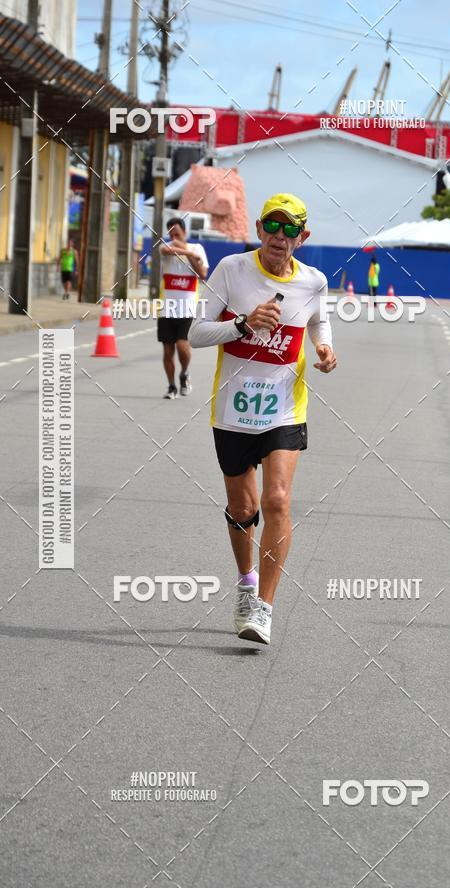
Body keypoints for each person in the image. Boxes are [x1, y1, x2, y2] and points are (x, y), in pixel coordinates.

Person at [189, 192, 336, 645]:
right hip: (233, 413)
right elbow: (195, 333)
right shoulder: (231, 271)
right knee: (244, 509)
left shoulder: (314, 282)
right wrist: (242, 325)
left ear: (302, 237)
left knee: (276, 501)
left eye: (291, 228)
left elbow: (318, 322)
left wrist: (325, 348)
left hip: (284, 411)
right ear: (259, 229)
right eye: (273, 225)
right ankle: (247, 581)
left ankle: (263, 609)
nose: (280, 235)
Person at [158, 217, 209, 398]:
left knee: (182, 345)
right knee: (167, 350)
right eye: (171, 234)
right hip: (167, 309)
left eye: (177, 234)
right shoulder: (166, 247)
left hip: (187, 309)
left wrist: (190, 255)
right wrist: (185, 252)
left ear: (185, 233)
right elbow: (166, 249)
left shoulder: (197, 249)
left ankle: (184, 373)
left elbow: (203, 274)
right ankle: (171, 386)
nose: (174, 237)